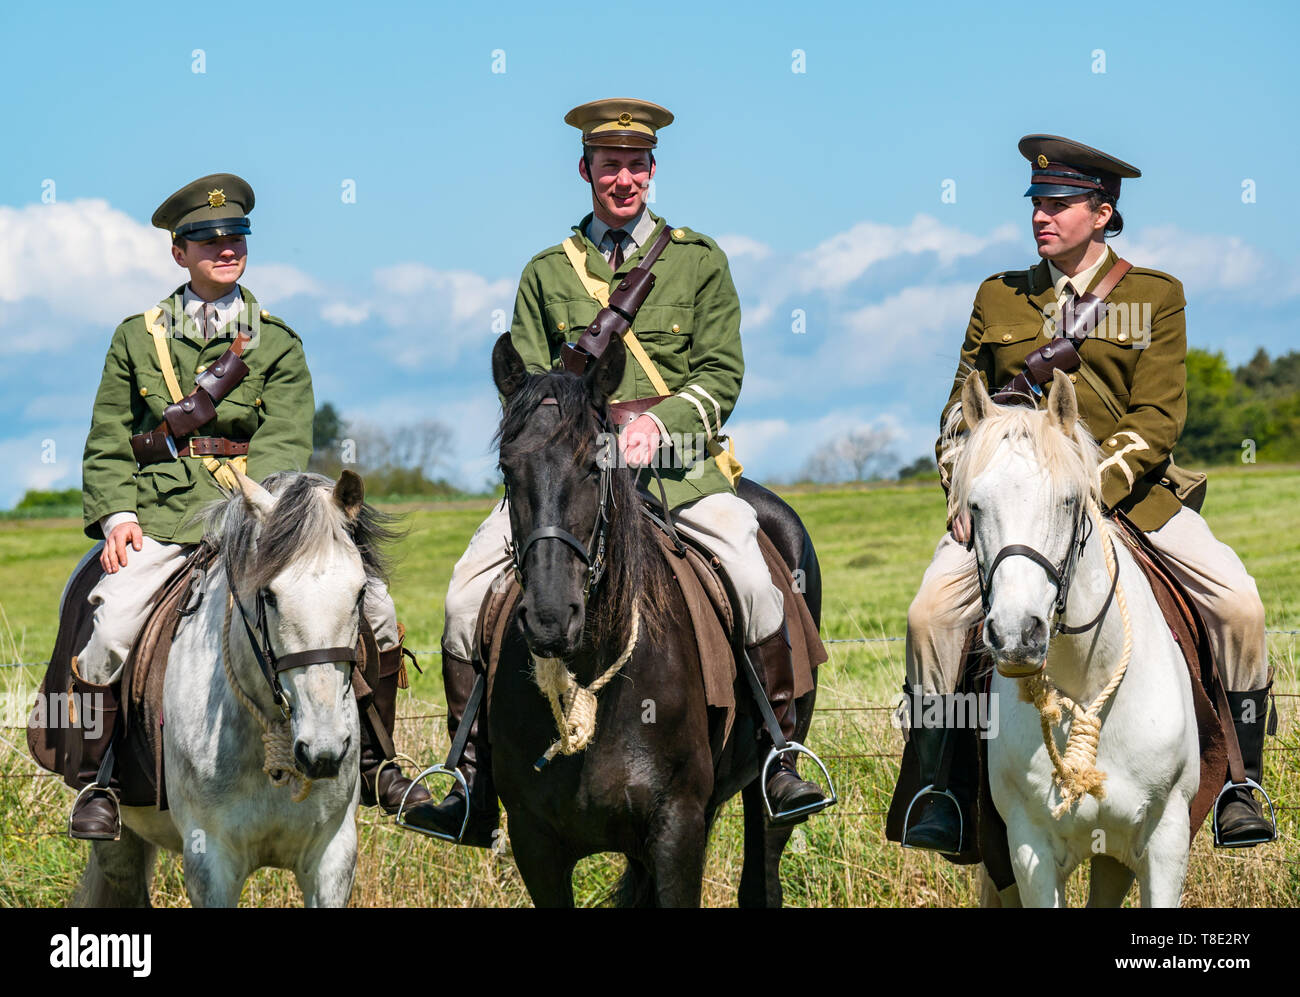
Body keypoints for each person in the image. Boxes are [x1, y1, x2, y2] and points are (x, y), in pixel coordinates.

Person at [404, 98, 828, 846]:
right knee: (465, 592)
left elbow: (722, 373)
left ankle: (778, 752)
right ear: (586, 171)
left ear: (652, 171)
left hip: (678, 474)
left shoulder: (699, 261)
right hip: (566, 481)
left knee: (757, 580)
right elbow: (529, 389)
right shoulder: (546, 272)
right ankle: (470, 777)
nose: (623, 178)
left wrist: (657, 427)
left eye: (636, 165)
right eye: (609, 165)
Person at [901, 135, 1274, 852]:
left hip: (1130, 499)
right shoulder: (998, 295)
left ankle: (1239, 785)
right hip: (1012, 507)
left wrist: (1080, 491)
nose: (1043, 215)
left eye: (1061, 203)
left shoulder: (1153, 296)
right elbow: (959, 411)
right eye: (1037, 203)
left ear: (1103, 212)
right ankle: (938, 783)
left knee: (1240, 604)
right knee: (926, 615)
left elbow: (1157, 417)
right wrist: (962, 483)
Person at [69, 174, 428, 838]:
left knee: (375, 608)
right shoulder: (135, 340)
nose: (224, 247)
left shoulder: (277, 342)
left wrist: (256, 513)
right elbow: (110, 443)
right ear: (179, 252)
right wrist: (119, 517)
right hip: (167, 519)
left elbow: (288, 439)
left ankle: (379, 760)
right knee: (114, 623)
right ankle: (104, 779)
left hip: (261, 518)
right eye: (207, 239)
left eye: (234, 237)